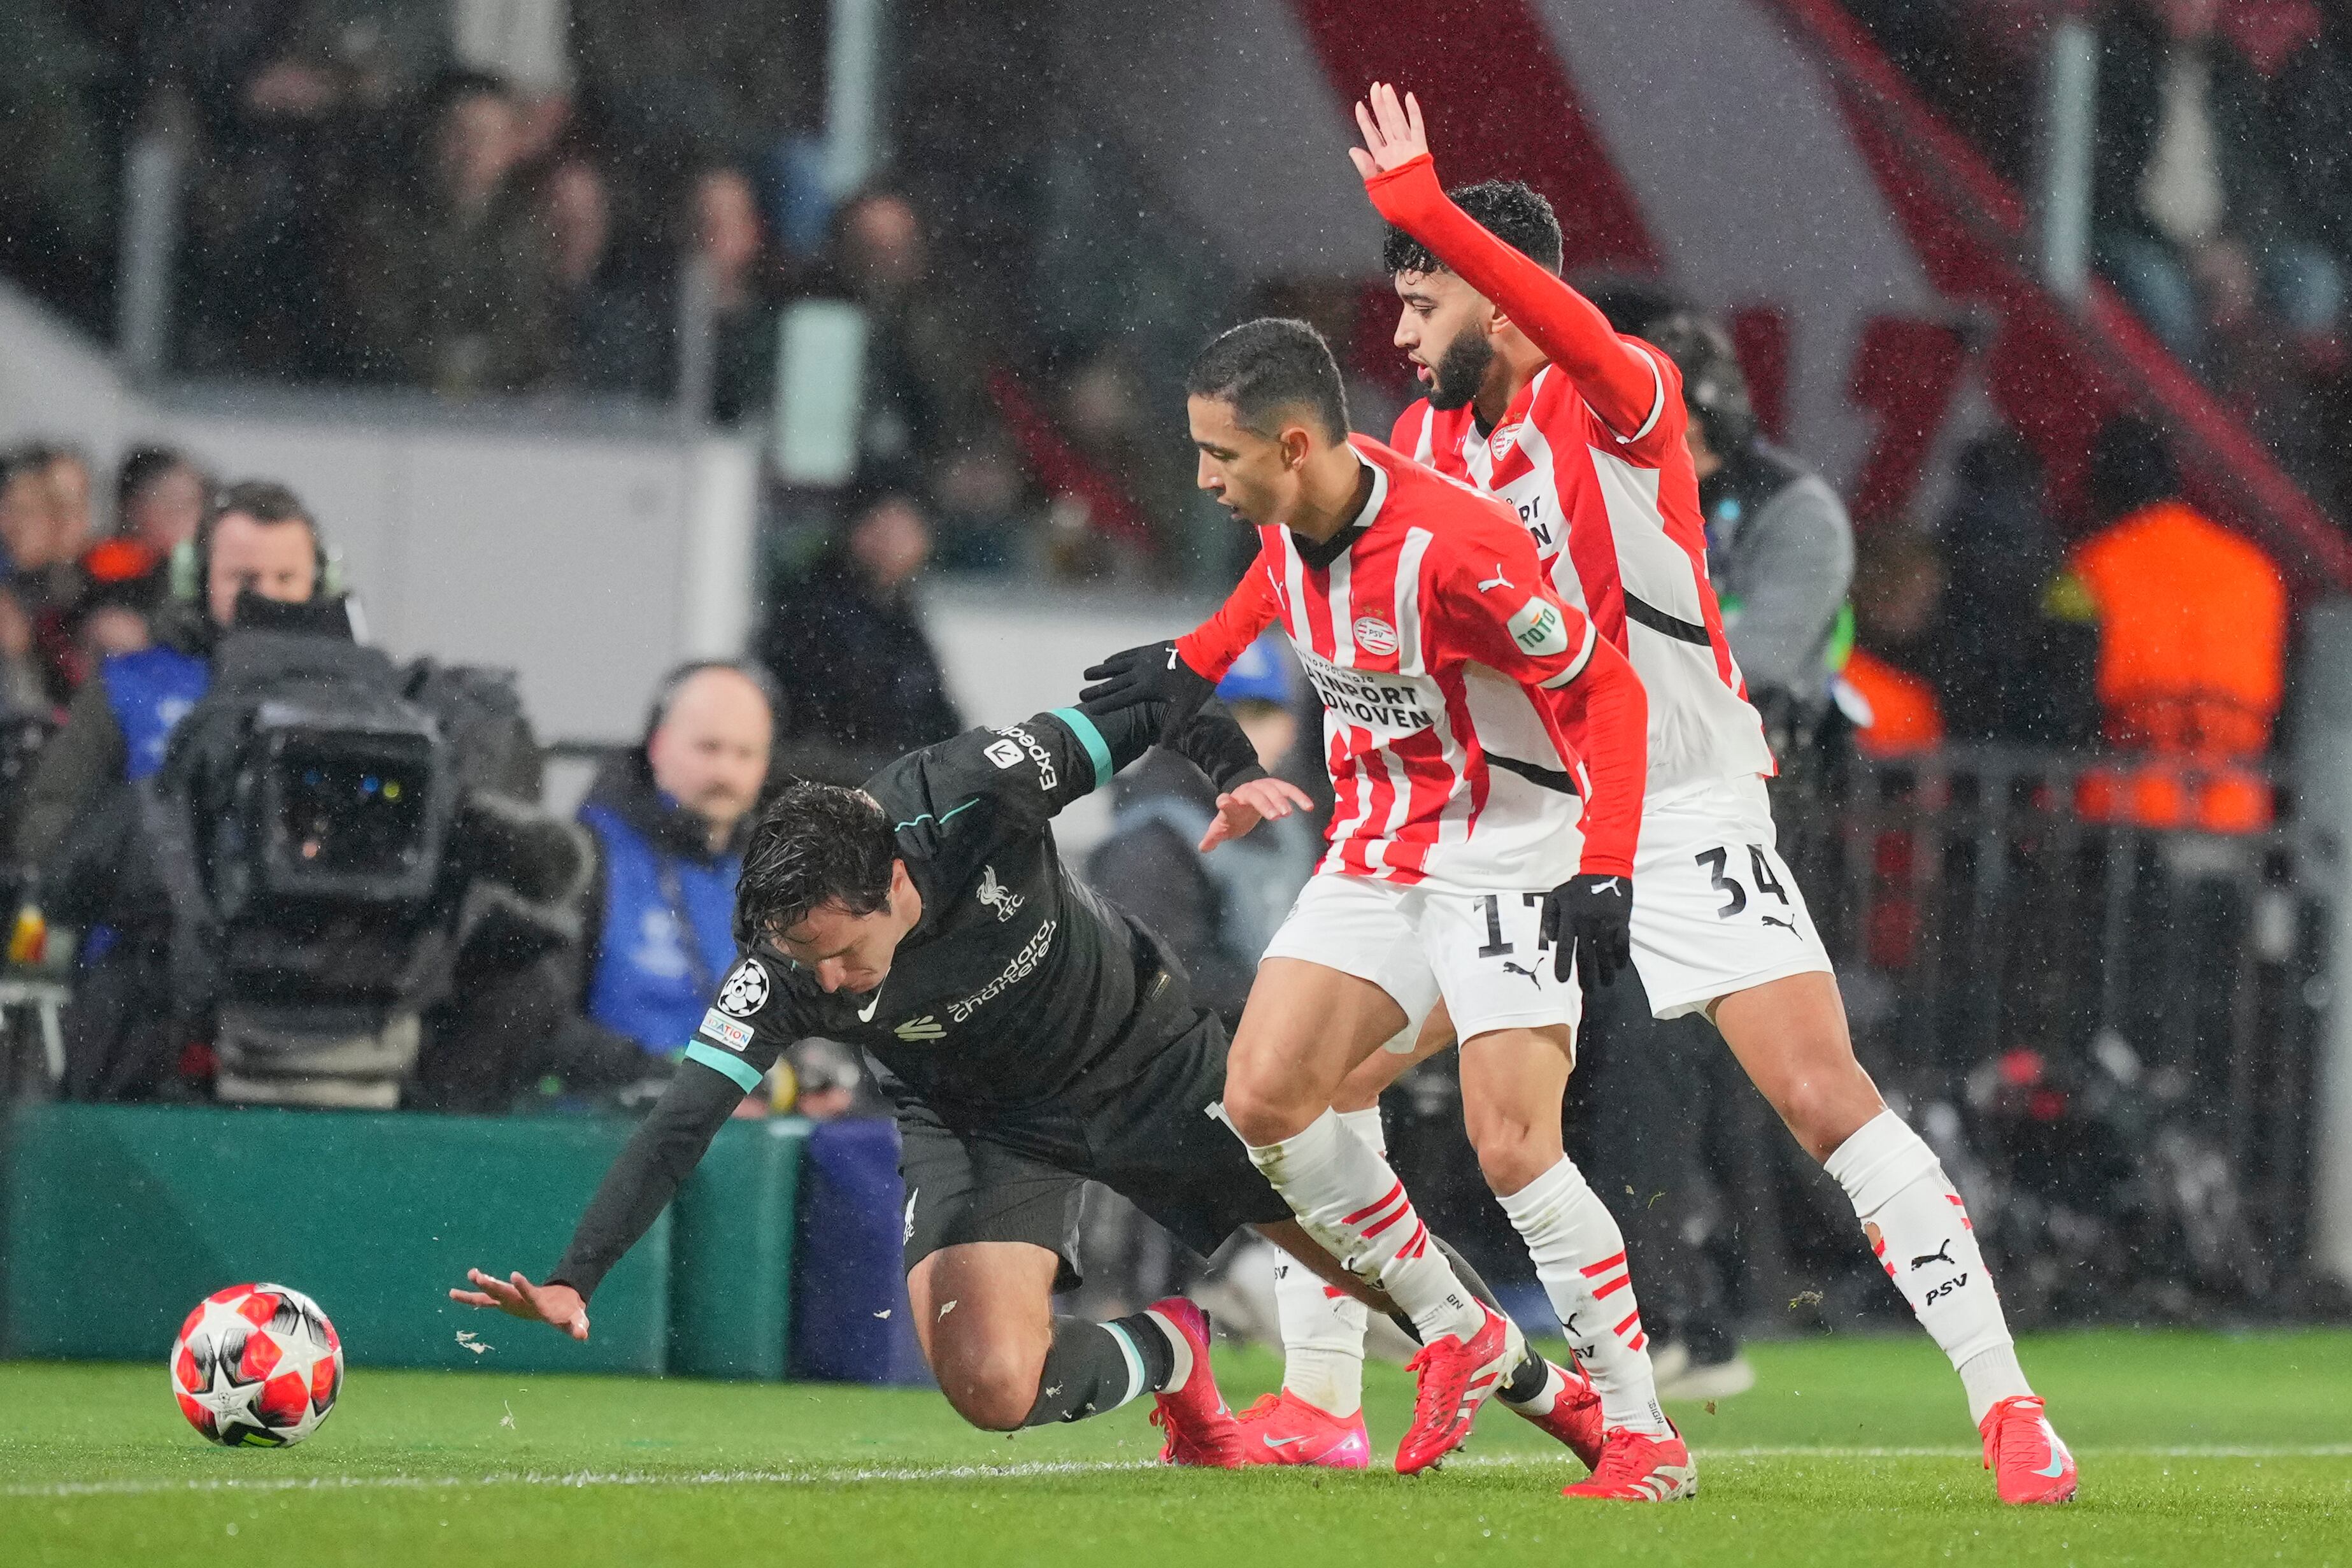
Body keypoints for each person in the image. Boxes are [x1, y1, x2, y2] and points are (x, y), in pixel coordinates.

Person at [1225, 85, 2070, 1506]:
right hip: (1516, 823)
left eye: (1425, 297)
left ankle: (2009, 1405)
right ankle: (1324, 1400)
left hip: (1679, 801)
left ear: (1503, 300)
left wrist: (1431, 212)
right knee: (1326, 1083)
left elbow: (1543, 328)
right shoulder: (1422, 454)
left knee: (1816, 1092)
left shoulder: (1617, 399)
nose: (1404, 327)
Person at [453, 683, 1574, 1462]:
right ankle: (1171, 1348)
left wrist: (1232, 770)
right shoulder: (786, 959)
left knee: (1386, 1269)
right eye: (812, 966)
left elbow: (1157, 693)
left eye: (847, 950)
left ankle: (1576, 1405)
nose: (835, 986)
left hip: (1148, 1060)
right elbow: (681, 1121)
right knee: (993, 1386)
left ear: (896, 878)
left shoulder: (973, 789)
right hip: (981, 1121)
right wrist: (576, 1277)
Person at [1083, 317, 1656, 1492]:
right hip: (1377, 853)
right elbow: (1258, 600)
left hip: (1507, 850)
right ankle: (1455, 1326)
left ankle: (1644, 1430)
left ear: (1293, 446)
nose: (1202, 477)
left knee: (1514, 1151)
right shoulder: (1294, 524)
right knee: (1263, 1100)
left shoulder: (1458, 550)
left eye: (1218, 455)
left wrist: (1606, 862)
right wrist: (1184, 668)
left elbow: (1607, 689)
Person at [15, 480, 324, 869]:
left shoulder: (350, 700)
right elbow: (45, 826)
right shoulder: (129, 688)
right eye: (243, 579)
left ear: (319, 583)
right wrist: (137, 848)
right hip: (152, 922)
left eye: (285, 578)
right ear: (196, 579)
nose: (263, 597)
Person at [1085, 634, 1318, 1029]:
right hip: (1202, 1057)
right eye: (1227, 714)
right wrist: (1303, 1004)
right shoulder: (1154, 837)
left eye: (1262, 713)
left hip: (1283, 1041)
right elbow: (1166, 977)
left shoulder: (1297, 812)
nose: (1242, 735)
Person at [577, 661, 778, 1062]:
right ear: (658, 745)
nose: (726, 771)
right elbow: (533, 1029)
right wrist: (655, 1078)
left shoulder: (776, 874)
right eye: (708, 747)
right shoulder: (589, 860)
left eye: (745, 753)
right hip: (600, 1119)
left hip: (740, 1119)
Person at [760, 490, 964, 781]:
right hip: (833, 774)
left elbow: (934, 707)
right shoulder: (815, 608)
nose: (898, 545)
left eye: (907, 533)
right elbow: (817, 710)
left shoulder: (901, 615)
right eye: (887, 531)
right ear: (859, 533)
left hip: (887, 768)